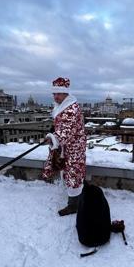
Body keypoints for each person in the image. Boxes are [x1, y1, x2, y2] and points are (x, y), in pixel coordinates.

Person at [42, 77, 86, 216]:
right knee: (69, 171)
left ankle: (74, 205)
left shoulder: (71, 108)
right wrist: (53, 134)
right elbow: (59, 125)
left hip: (74, 147)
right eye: (54, 94)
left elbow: (67, 129)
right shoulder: (63, 106)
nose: (56, 96)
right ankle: (76, 199)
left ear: (66, 93)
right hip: (67, 146)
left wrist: (52, 138)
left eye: (59, 94)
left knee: (73, 172)